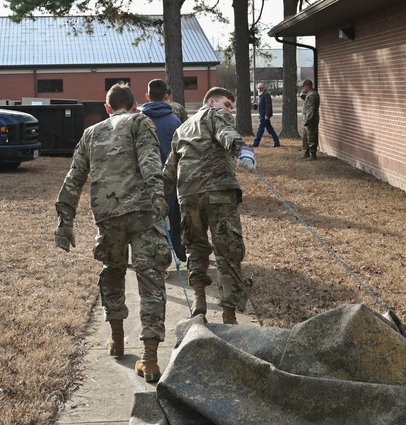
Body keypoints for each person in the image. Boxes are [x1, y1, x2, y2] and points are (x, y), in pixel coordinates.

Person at [54, 83, 171, 383]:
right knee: (150, 279)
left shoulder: (91, 133)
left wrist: (64, 222)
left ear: (107, 108)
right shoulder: (140, 122)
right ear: (134, 105)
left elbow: (74, 177)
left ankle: (117, 340)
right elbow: (149, 160)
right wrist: (159, 198)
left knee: (113, 271)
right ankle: (150, 359)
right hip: (143, 214)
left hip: (108, 216)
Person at [163, 87, 255, 325]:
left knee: (195, 248)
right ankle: (228, 314)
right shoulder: (215, 114)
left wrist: (160, 199)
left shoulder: (181, 129)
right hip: (219, 193)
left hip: (188, 195)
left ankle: (199, 300)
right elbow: (226, 133)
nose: (230, 111)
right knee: (228, 251)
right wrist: (242, 150)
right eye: (227, 105)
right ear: (212, 102)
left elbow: (169, 170)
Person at [142, 78, 185, 260]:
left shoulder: (138, 120)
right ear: (166, 96)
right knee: (172, 216)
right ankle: (178, 253)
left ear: (147, 95)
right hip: (170, 177)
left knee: (148, 219)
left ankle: (150, 254)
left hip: (144, 178)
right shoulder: (175, 121)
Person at [252, 82, 280, 147]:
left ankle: (256, 143)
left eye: (260, 88)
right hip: (262, 115)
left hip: (264, 115)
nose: (259, 89)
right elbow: (261, 106)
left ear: (264, 88)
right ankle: (277, 142)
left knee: (260, 129)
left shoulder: (266, 95)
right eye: (258, 88)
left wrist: (267, 115)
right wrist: (256, 106)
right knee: (270, 129)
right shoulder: (261, 96)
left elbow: (268, 105)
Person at [300, 79, 320, 159]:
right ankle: (306, 153)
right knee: (305, 137)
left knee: (311, 137)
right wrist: (303, 95)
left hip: (311, 120)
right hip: (307, 120)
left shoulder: (313, 95)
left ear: (307, 86)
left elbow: (311, 109)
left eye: (304, 87)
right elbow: (307, 103)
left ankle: (313, 154)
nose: (303, 89)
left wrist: (308, 120)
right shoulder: (309, 94)